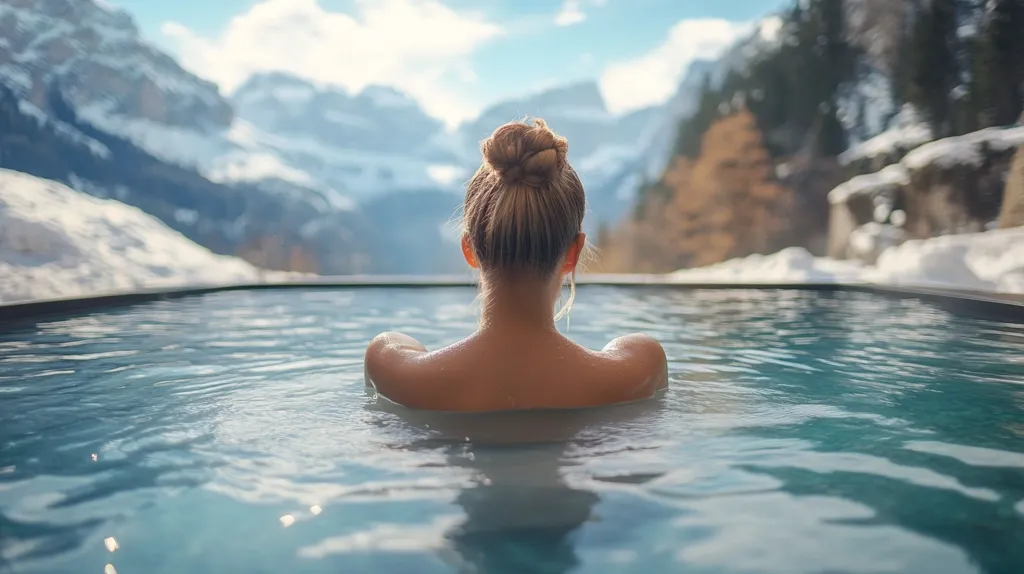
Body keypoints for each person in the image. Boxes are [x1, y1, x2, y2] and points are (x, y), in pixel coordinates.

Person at [364, 117, 668, 412]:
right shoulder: (637, 371)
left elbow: (392, 343)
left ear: (469, 250)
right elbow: (633, 345)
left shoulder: (396, 372)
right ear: (573, 254)